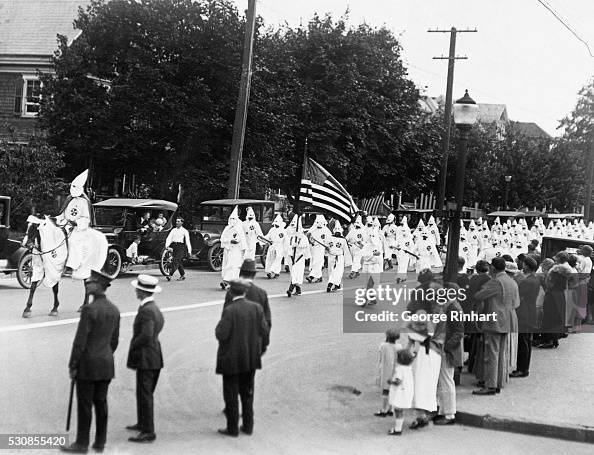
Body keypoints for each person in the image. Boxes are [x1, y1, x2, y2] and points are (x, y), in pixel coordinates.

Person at [60, 270, 120, 454]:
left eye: (91, 282)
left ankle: (82, 444)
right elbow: (114, 341)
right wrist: (105, 354)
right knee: (101, 403)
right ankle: (100, 442)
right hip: (106, 364)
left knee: (85, 404)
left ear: (99, 286)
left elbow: (80, 341)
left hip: (87, 365)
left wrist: (73, 364)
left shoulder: (89, 309)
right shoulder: (114, 310)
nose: (87, 284)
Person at [216, 279, 270, 437]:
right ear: (245, 292)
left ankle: (232, 428)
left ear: (232, 292)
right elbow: (264, 331)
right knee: (247, 392)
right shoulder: (257, 308)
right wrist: (259, 349)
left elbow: (221, 334)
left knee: (231, 393)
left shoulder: (230, 310)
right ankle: (248, 425)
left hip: (232, 359)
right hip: (250, 358)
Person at [126, 275, 165, 443]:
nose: (135, 291)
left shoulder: (147, 310)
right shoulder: (153, 308)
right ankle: (143, 423)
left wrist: (135, 343)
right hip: (153, 356)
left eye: (138, 289)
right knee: (144, 393)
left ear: (142, 291)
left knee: (145, 394)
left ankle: (148, 431)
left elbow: (146, 335)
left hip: (146, 357)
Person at [472, 257, 518, 395]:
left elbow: (479, 295)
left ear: (493, 268)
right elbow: (516, 303)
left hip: (495, 321)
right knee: (501, 354)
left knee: (491, 354)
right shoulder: (512, 282)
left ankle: (490, 385)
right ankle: (497, 382)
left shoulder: (496, 282)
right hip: (507, 320)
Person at [434, 282, 464, 425]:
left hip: (448, 350)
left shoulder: (454, 308)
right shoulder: (450, 306)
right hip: (444, 348)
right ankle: (443, 411)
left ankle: (449, 414)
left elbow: (459, 332)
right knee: (442, 381)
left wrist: (447, 346)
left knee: (446, 381)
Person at [511, 257, 541, 378]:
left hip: (524, 312)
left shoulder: (527, 281)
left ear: (527, 266)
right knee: (527, 341)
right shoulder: (535, 280)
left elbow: (518, 295)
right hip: (531, 311)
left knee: (523, 342)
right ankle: (524, 368)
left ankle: (522, 369)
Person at [224, 259, 271, 331]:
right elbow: (267, 321)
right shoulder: (261, 293)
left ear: (241, 273)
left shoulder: (232, 292)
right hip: (255, 337)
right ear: (254, 275)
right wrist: (262, 341)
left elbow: (225, 319)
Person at [387, 349, 415, 435]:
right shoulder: (409, 369)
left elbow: (398, 382)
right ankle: (398, 428)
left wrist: (390, 382)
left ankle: (397, 429)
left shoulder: (399, 369)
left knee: (398, 411)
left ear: (399, 360)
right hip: (407, 393)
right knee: (400, 411)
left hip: (400, 394)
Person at [375, 328, 401, 417]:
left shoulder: (383, 346)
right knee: (392, 390)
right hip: (395, 371)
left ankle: (383, 409)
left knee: (385, 391)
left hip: (385, 370)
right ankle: (391, 409)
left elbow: (380, 354)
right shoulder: (399, 347)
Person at [220, 206, 247, 290]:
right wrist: (230, 241)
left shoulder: (239, 229)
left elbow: (241, 239)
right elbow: (222, 238)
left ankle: (228, 281)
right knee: (226, 264)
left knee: (233, 265)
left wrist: (242, 250)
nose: (232, 220)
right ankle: (226, 280)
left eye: (233, 219)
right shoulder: (226, 228)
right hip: (228, 249)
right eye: (230, 218)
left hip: (236, 250)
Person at [286, 215, 311, 297]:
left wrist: (298, 245)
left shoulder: (303, 238)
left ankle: (290, 289)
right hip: (292, 258)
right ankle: (298, 289)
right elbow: (288, 246)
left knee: (296, 273)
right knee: (293, 273)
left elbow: (306, 246)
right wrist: (292, 247)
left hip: (299, 258)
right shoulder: (291, 237)